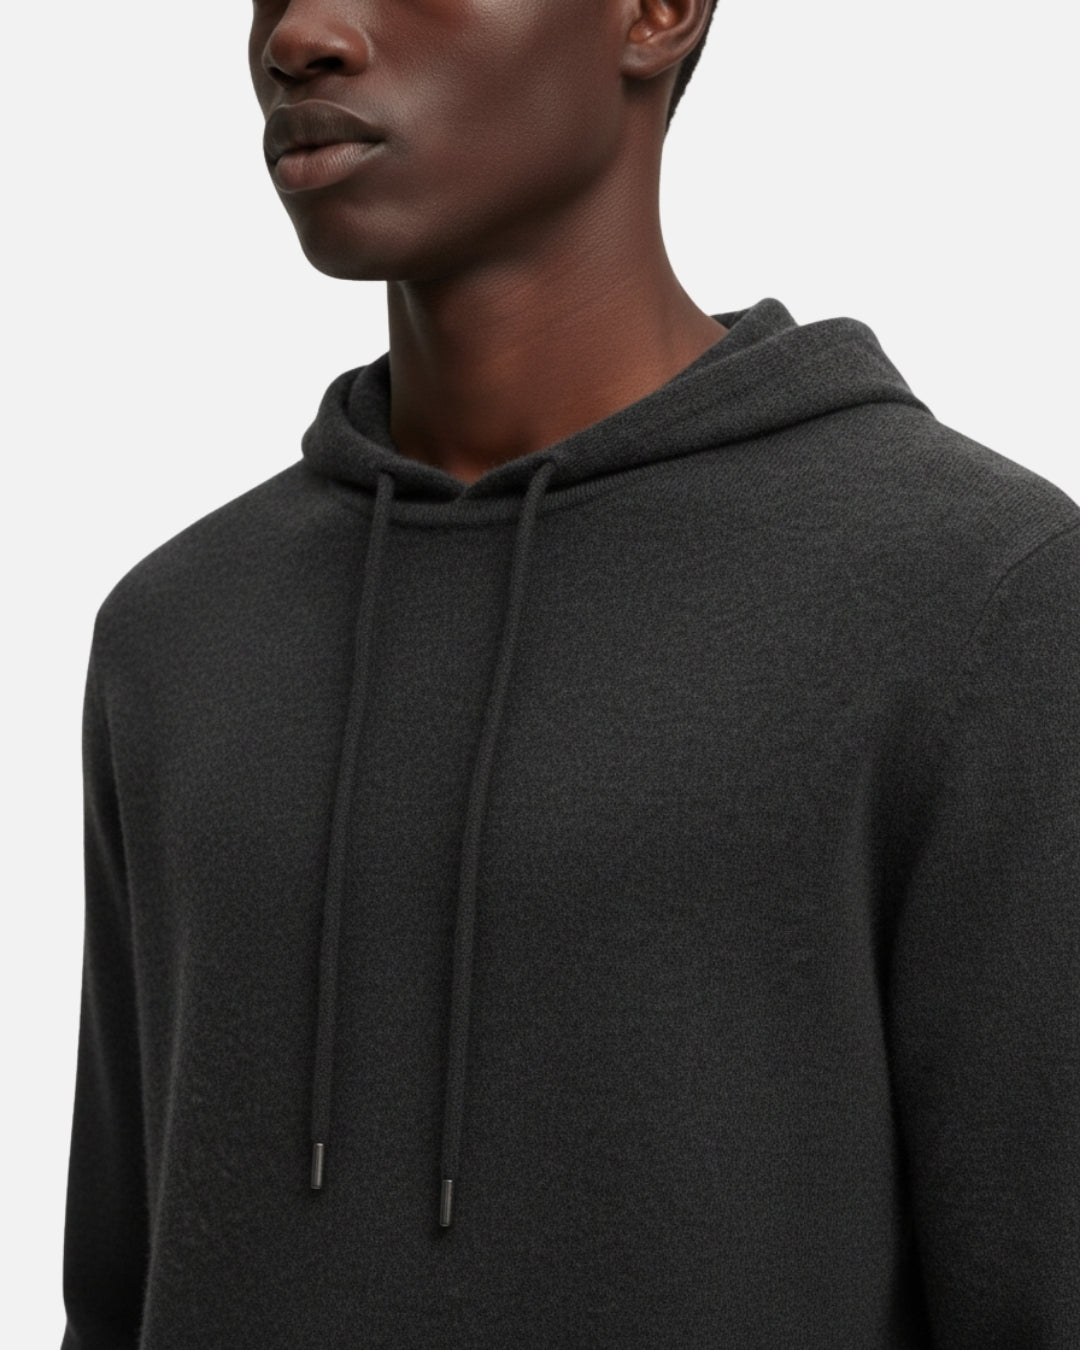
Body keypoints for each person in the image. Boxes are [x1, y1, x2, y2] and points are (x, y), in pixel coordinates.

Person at [60, 0, 1080, 1345]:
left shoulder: (976, 598)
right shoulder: (176, 633)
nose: (298, 33)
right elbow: (116, 1292)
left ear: (655, 13)